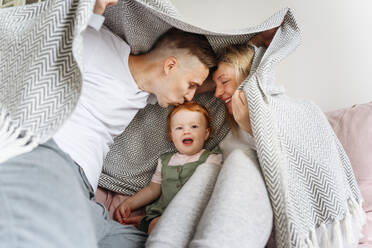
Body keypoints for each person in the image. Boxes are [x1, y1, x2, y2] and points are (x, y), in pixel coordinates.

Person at [0, 0, 217, 248]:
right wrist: (92, 7)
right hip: (53, 157)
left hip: (89, 201)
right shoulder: (98, 45)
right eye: (191, 85)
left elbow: (218, 81)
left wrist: (256, 46)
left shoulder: (144, 93)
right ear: (170, 66)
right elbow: (59, 26)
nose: (191, 97)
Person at [114, 101, 222, 234]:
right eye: (179, 128)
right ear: (171, 136)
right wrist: (129, 203)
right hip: (163, 214)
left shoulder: (211, 159)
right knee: (157, 224)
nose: (186, 131)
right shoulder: (165, 160)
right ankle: (144, 222)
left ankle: (143, 223)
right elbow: (153, 190)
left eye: (194, 126)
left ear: (206, 134)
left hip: (193, 213)